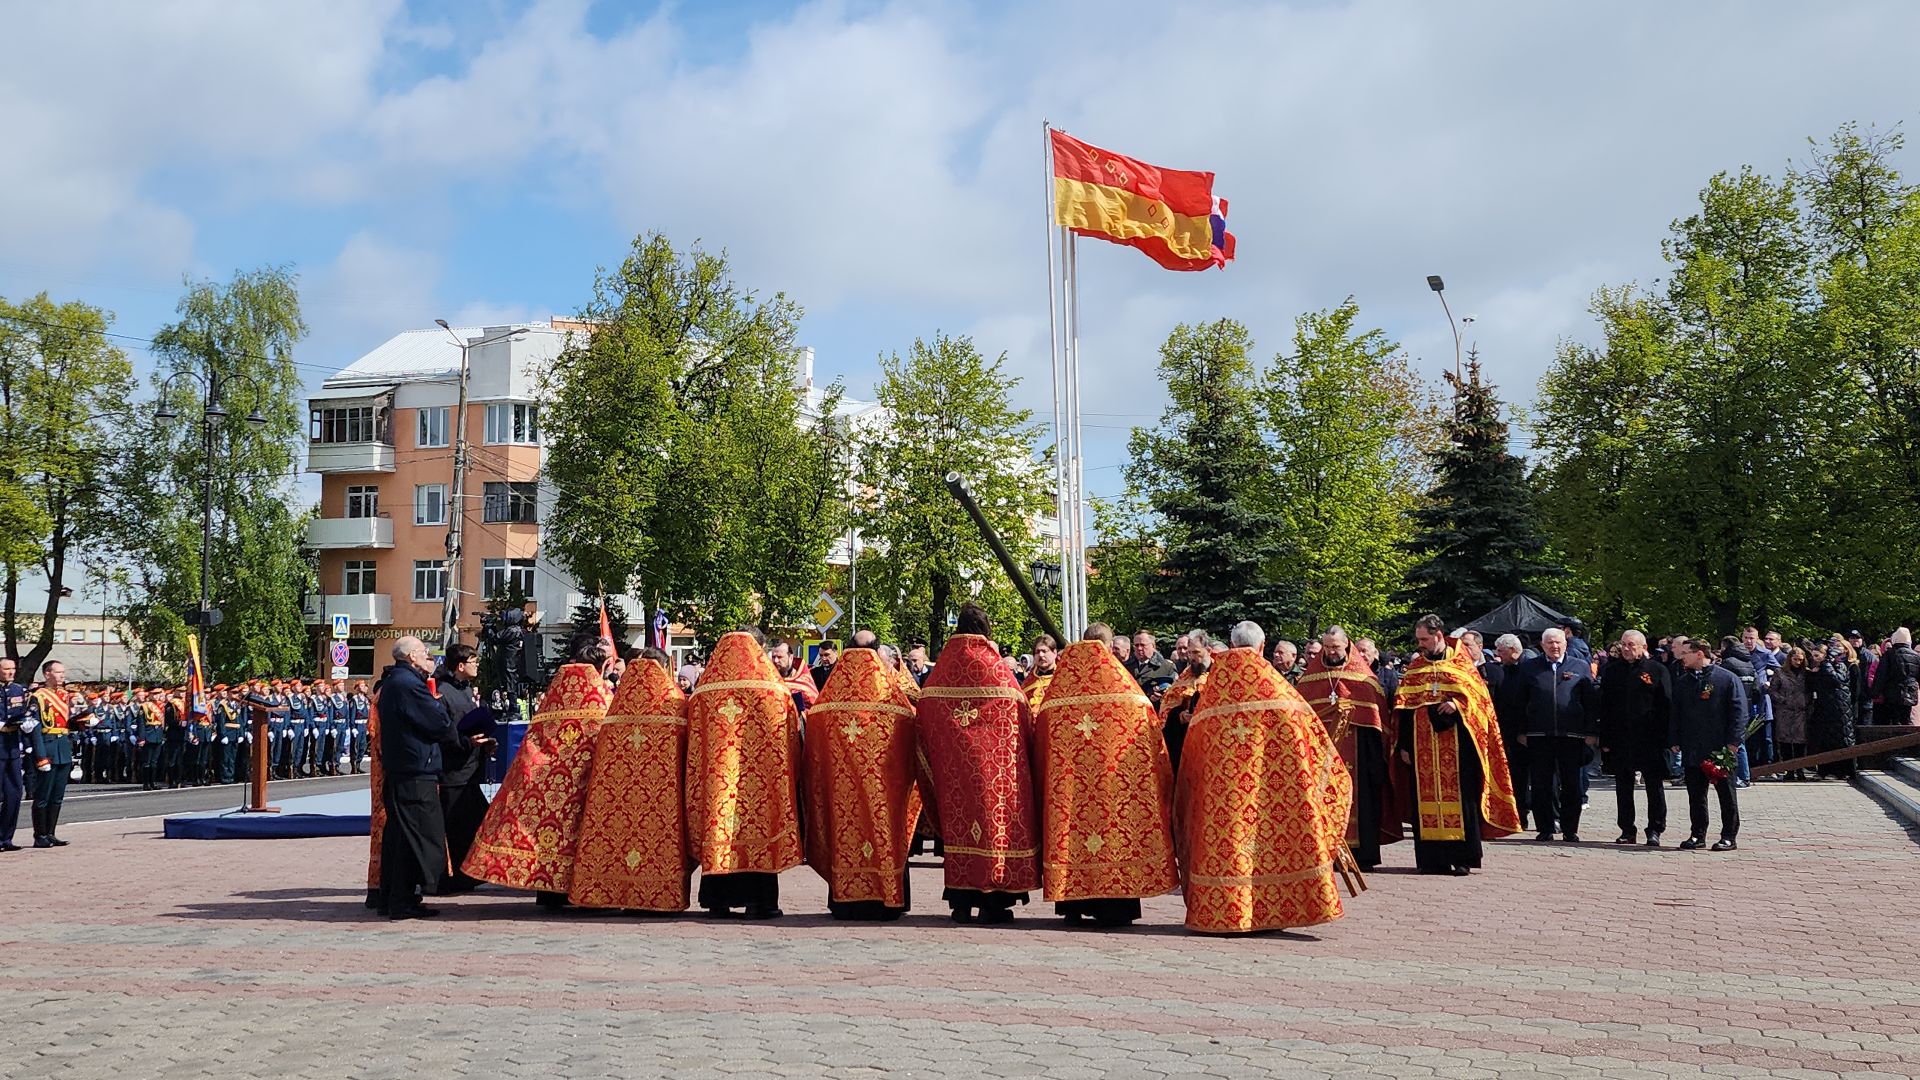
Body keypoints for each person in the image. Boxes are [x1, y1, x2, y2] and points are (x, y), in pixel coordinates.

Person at [1174, 620, 1350, 933]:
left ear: (1231, 644)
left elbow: (1192, 752)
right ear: (1262, 644)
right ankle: (1279, 910)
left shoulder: (1215, 691)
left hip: (1223, 798)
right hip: (1274, 792)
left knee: (1229, 847)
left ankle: (1225, 912)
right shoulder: (1275, 687)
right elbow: (1312, 741)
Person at [1034, 628, 1177, 928]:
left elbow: (1041, 743)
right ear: (1110, 646)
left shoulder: (1058, 694)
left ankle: (1072, 906)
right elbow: (1151, 741)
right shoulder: (1129, 695)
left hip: (1070, 792)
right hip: (1115, 791)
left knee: (1072, 835)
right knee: (1114, 836)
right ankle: (1115, 908)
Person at [463, 636, 615, 908]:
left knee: (549, 837)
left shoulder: (555, 697)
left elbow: (535, 739)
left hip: (548, 781)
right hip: (585, 783)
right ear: (601, 668)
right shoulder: (602, 699)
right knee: (578, 838)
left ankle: (548, 891)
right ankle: (580, 891)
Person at [916, 603, 1040, 924]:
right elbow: (1020, 710)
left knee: (960, 829)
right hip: (994, 771)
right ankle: (992, 904)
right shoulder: (995, 670)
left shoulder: (942, 669)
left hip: (953, 773)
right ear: (986, 630)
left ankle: (960, 901)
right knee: (991, 830)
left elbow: (925, 711)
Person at [685, 627, 804, 919]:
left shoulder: (704, 692)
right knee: (759, 828)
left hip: (718, 785)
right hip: (762, 786)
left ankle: (718, 901)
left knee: (720, 827)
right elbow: (791, 737)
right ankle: (758, 902)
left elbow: (692, 743)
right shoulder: (774, 690)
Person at [1393, 616, 1523, 874]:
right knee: (1425, 802)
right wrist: (1404, 746)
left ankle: (1462, 857)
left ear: (1438, 635)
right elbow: (1403, 710)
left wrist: (1457, 705)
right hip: (1423, 750)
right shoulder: (1416, 666)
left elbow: (1481, 704)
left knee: (1462, 801)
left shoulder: (1462, 664)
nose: (1421, 645)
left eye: (1425, 640)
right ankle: (1432, 860)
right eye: (1419, 640)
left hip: (1458, 745)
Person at [801, 642, 921, 920]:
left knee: (845, 834)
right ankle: (887, 899)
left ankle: (846, 900)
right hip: (884, 794)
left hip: (842, 794)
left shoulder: (825, 709)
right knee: (886, 836)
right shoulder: (897, 708)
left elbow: (813, 755)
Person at [571, 648, 693, 913]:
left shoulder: (617, 705)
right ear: (663, 668)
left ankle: (605, 894)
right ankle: (655, 897)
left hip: (616, 802)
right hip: (661, 803)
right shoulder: (675, 702)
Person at [1297, 626, 1401, 871]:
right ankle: (1329, 853)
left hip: (1360, 754)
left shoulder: (1364, 679)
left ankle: (1362, 856)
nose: (1332, 652)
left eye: (1336, 647)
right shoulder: (1310, 680)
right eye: (1328, 647)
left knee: (1361, 801)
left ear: (1347, 645)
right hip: (1323, 755)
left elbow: (1378, 720)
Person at [376, 636, 457, 918]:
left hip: (407, 768)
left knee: (403, 836)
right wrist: (437, 707)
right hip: (414, 771)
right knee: (417, 838)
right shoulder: (408, 685)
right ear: (411, 656)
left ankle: (398, 897)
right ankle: (401, 899)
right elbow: (439, 722)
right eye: (424, 652)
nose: (429, 657)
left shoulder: (398, 682)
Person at [1514, 628, 1598, 842]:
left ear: (1565, 644)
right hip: (1538, 734)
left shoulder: (1579, 666)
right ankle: (1545, 827)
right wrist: (1522, 731)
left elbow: (1590, 702)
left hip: (1572, 735)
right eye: (1550, 643)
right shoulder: (1529, 668)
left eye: (1558, 642)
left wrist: (1590, 732)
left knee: (1572, 785)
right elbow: (1519, 702)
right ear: (1542, 645)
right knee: (1542, 784)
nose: (1554, 646)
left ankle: (1570, 829)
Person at [1669, 638, 1745, 851]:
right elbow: (1676, 713)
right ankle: (1697, 833)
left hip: (1719, 747)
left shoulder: (1726, 679)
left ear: (1700, 653)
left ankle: (1729, 835)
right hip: (1693, 746)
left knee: (1726, 793)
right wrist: (1674, 739)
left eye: (1686, 653)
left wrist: (1733, 741)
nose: (1682, 657)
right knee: (1695, 794)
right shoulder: (1684, 682)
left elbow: (1739, 712)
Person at [1597, 631, 1672, 846]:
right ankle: (1627, 829)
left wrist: (1665, 737)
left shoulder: (1657, 670)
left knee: (1654, 785)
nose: (1626, 649)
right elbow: (1606, 707)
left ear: (1642, 646)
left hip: (1649, 737)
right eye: (1623, 644)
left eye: (1631, 645)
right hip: (1621, 737)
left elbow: (1666, 705)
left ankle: (1655, 828)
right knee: (1623, 785)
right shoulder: (1612, 671)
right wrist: (1606, 739)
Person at [435, 643, 491, 894]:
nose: (477, 665)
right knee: (457, 826)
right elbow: (445, 731)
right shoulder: (444, 692)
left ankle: (470, 871)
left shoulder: (466, 690)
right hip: (453, 771)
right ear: (460, 665)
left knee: (478, 821)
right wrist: (467, 742)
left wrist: (485, 743)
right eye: (473, 661)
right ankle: (457, 874)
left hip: (470, 768)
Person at [26, 661, 95, 848]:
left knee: (57, 795)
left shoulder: (64, 695)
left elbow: (66, 723)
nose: (62, 676)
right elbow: (35, 727)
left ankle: (51, 833)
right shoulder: (38, 697)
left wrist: (83, 722)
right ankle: (39, 835)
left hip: (63, 746)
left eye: (63, 672)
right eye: (58, 672)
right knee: (43, 795)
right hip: (47, 746)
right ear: (47, 674)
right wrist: (40, 756)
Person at [1487, 634, 1529, 830]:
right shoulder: (1504, 670)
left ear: (1513, 650)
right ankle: (1516, 814)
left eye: (1501, 651)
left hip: (1523, 733)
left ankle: (1525, 813)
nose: (1497, 655)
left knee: (1523, 776)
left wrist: (1524, 730)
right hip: (1506, 730)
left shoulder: (1527, 669)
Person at [1157, 632, 1210, 775]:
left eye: (1196, 652)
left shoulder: (1219, 674)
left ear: (1208, 651)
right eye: (1190, 652)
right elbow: (1168, 705)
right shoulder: (1185, 675)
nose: (1192, 657)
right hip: (1185, 740)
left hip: (1208, 740)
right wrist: (1180, 716)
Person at [1809, 637, 1857, 780]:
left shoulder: (1840, 666)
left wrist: (1827, 664)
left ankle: (1840, 771)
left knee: (1839, 741)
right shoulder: (1822, 667)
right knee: (1824, 740)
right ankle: (1823, 770)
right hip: (1825, 709)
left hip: (1839, 710)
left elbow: (1837, 680)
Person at [1768, 648, 1813, 779]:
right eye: (1795, 659)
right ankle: (1789, 771)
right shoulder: (1780, 672)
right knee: (1785, 742)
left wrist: (1807, 702)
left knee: (1800, 743)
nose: (1798, 662)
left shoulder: (1807, 674)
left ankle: (1800, 770)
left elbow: (1811, 690)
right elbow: (1772, 690)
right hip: (1785, 712)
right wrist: (1783, 700)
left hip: (1801, 712)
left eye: (1800, 660)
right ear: (1789, 659)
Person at [1, 658, 28, 852]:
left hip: (12, 747)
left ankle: (6, 837)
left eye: (13, 669)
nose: (11, 672)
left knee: (15, 793)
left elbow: (22, 713)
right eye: (6, 669)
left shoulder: (18, 690)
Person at [1870, 627, 1920, 726]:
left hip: (1892, 692)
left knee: (1894, 722)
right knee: (1906, 719)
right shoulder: (1916, 656)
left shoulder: (1889, 654)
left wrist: (1874, 692)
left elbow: (1881, 675)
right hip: (1910, 692)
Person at [771, 638, 820, 715]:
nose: (776, 661)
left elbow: (815, 711)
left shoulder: (803, 681)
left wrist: (800, 710)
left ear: (790, 657)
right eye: (774, 657)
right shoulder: (769, 680)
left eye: (780, 657)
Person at [1022, 634, 1058, 709]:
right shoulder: (1027, 683)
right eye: (1037, 652)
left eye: (1044, 651)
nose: (1041, 655)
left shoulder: (1062, 678)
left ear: (1054, 653)